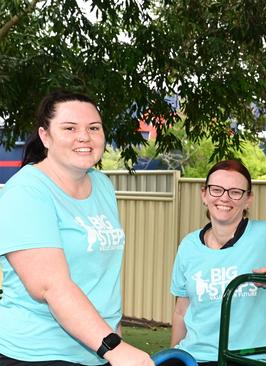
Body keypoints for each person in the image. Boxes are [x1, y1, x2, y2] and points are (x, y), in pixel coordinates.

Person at [0, 90, 153, 365]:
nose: (84, 136)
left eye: (93, 128)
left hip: (97, 350)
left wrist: (112, 337)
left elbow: (103, 276)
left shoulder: (102, 186)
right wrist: (114, 347)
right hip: (38, 353)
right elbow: (50, 286)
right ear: (46, 136)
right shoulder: (26, 191)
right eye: (69, 128)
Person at [168, 160, 266, 365]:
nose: (224, 198)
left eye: (235, 192)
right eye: (216, 190)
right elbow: (181, 311)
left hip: (249, 358)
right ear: (204, 194)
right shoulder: (188, 245)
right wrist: (174, 354)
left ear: (248, 199)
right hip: (195, 356)